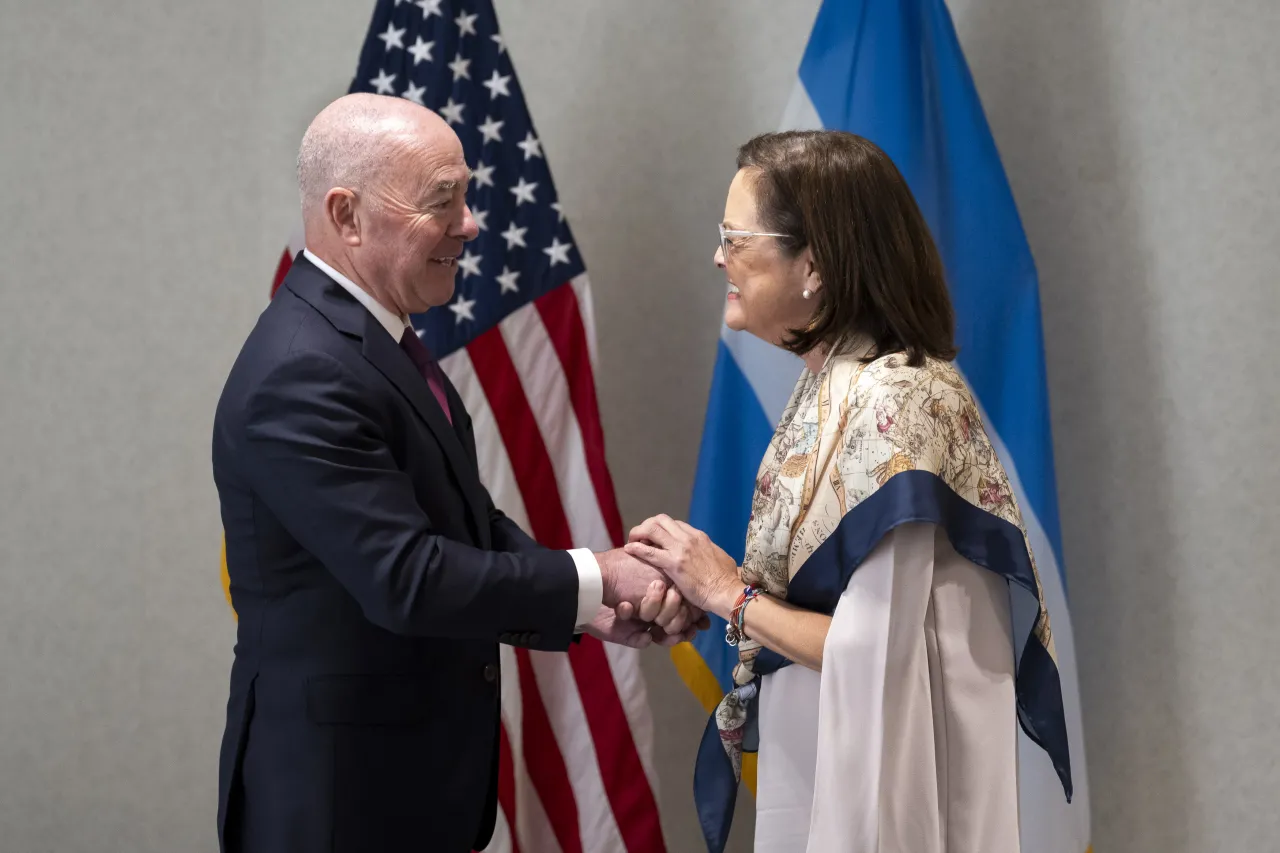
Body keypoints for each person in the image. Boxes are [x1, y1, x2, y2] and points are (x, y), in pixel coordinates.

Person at [211, 93, 699, 853]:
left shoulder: (371, 341)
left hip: (402, 792)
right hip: (338, 804)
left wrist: (588, 602)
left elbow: (463, 520)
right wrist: (598, 577)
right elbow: (406, 575)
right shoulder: (302, 371)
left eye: (465, 195)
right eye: (444, 200)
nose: (470, 224)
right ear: (348, 215)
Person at [625, 131, 1073, 852]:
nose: (719, 258)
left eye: (735, 238)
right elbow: (828, 599)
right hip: (828, 753)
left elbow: (869, 648)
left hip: (890, 784)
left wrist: (726, 595)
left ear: (815, 264)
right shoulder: (834, 381)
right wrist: (707, 577)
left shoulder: (898, 399)